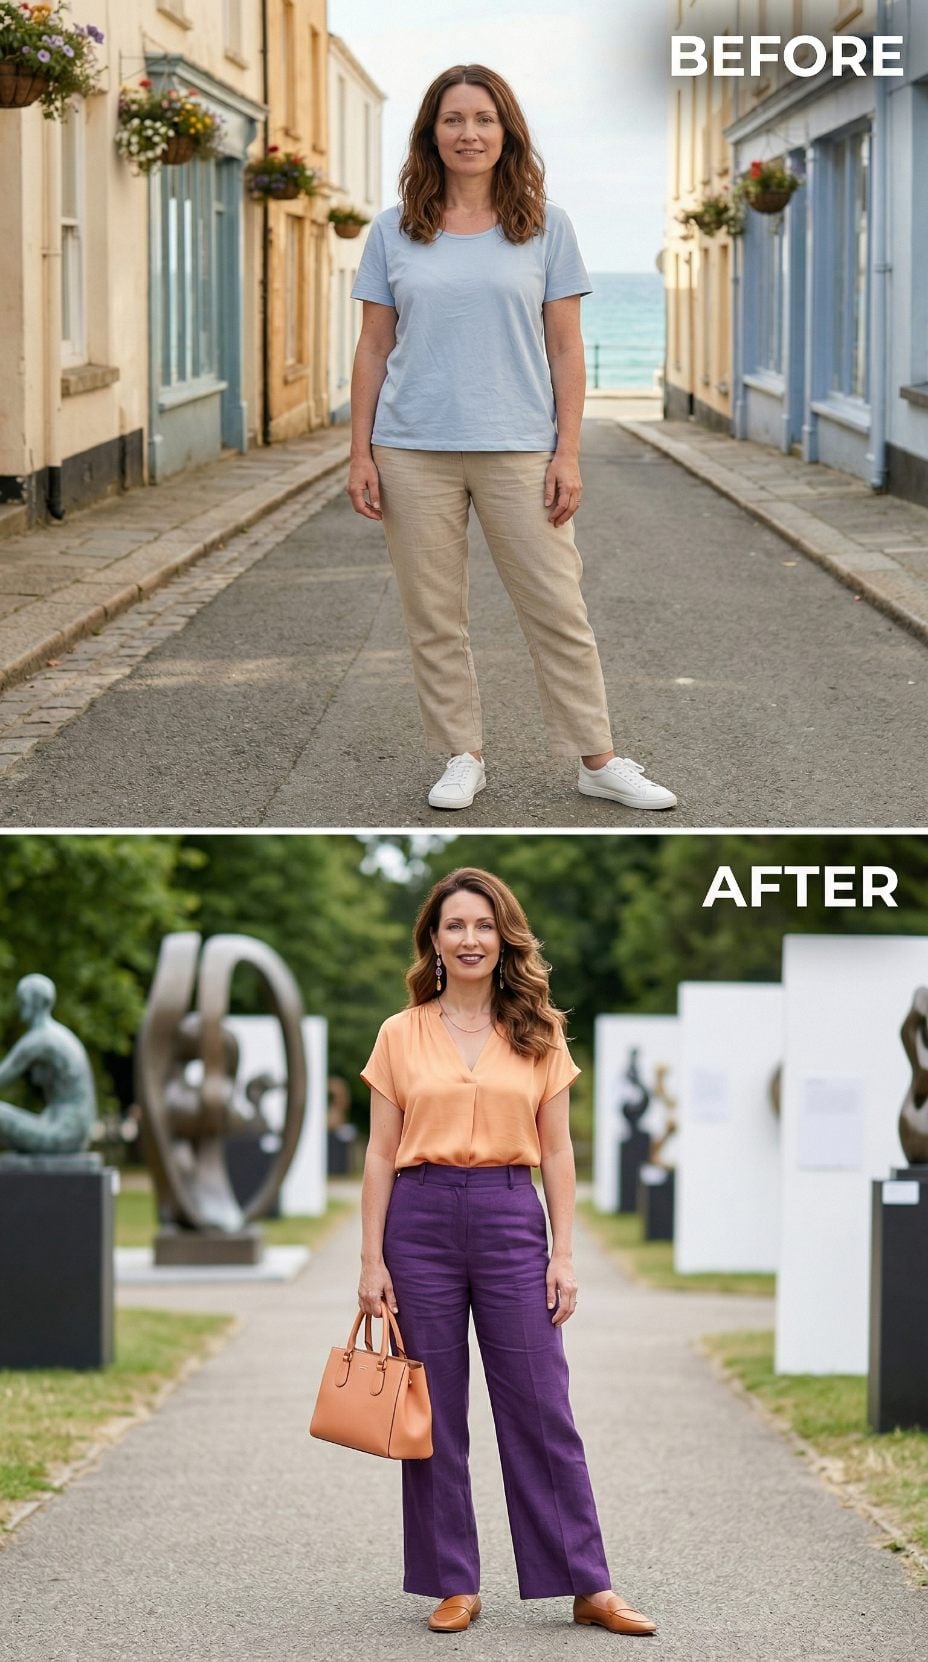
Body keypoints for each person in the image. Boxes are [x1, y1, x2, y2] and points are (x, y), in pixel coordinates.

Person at [346, 63, 676, 816]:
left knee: (557, 606)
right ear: (432, 132)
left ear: (507, 132)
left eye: (484, 119)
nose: (469, 133)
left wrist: (568, 451)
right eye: (454, 119)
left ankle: (598, 759)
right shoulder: (393, 231)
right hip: (410, 446)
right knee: (434, 614)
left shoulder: (546, 225)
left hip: (520, 446)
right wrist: (359, 451)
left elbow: (566, 347)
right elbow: (372, 347)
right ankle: (462, 754)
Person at [358, 867, 657, 1636]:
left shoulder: (539, 1031)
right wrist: (370, 1262)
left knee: (540, 1403)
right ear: (433, 939)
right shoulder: (400, 1033)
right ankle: (453, 1581)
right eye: (454, 926)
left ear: (504, 938)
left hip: (507, 1213)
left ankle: (587, 1583)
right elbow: (379, 1153)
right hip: (418, 1221)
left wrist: (564, 1254)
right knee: (434, 1410)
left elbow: (557, 1153)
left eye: (483, 926)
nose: (469, 939)